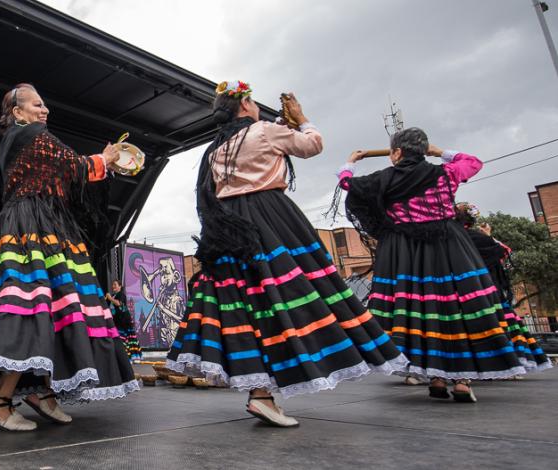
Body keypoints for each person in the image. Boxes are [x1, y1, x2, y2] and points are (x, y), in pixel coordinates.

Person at [166, 81, 406, 428]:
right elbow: (313, 146)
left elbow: (211, 194)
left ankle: (261, 392)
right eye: (252, 102)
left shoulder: (216, 149)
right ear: (246, 105)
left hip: (229, 228)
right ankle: (264, 392)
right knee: (295, 295)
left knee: (251, 307)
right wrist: (302, 118)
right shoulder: (263, 132)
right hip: (270, 217)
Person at [0, 83, 139, 432]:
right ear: (18, 112)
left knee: (56, 309)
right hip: (30, 228)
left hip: (46, 226)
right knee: (30, 307)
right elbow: (72, 166)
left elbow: (70, 179)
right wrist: (105, 159)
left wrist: (103, 165)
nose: (45, 111)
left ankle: (41, 390)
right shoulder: (29, 135)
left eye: (45, 105)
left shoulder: (27, 142)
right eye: (37, 104)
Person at [338, 128, 528, 403]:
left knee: (421, 309)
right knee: (455, 306)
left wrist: (351, 162)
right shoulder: (444, 174)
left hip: (406, 253)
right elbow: (473, 162)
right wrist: (439, 152)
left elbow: (347, 184)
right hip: (448, 246)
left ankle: (437, 377)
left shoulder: (385, 179)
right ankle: (462, 381)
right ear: (423, 151)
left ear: (398, 153)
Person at [454, 203, 551, 374]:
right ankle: (507, 362)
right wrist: (489, 235)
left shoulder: (454, 238)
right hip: (490, 290)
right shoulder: (481, 239)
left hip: (461, 291)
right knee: (498, 325)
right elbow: (504, 251)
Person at [106, 280, 141, 361]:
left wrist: (110, 298)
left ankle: (133, 357)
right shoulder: (113, 295)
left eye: (115, 284)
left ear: (120, 286)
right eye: (113, 285)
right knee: (121, 338)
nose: (113, 286)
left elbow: (118, 303)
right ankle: (124, 357)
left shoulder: (121, 294)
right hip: (117, 321)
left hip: (124, 320)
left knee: (128, 338)